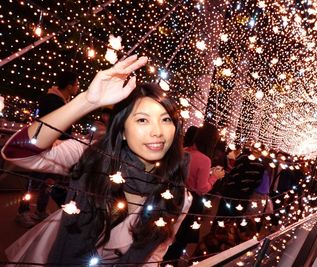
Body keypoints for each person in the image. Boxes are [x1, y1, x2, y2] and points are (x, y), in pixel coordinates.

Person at [2, 55, 192, 265]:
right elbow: (18, 152)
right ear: (123, 131)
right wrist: (87, 101)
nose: (158, 132)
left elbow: (156, 253)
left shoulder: (177, 195)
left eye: (166, 120)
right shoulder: (92, 158)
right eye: (142, 120)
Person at [15, 71, 80, 227]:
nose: (78, 88)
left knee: (48, 181)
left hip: (54, 146)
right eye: (76, 84)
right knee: (36, 180)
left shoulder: (60, 100)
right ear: (69, 85)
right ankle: (23, 211)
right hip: (46, 146)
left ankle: (40, 210)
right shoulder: (53, 100)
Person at [163, 122, 224, 262]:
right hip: (190, 202)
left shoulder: (184, 151)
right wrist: (214, 177)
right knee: (180, 238)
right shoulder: (205, 160)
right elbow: (202, 189)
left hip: (175, 196)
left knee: (169, 233)